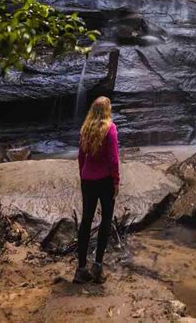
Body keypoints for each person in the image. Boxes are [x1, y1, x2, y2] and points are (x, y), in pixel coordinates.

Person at [73, 96, 120, 284]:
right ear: (107, 110)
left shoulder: (85, 129)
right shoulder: (110, 129)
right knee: (106, 220)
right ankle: (98, 266)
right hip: (105, 181)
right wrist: (116, 181)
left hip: (88, 180)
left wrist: (83, 174)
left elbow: (80, 157)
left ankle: (81, 268)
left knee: (86, 221)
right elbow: (113, 159)